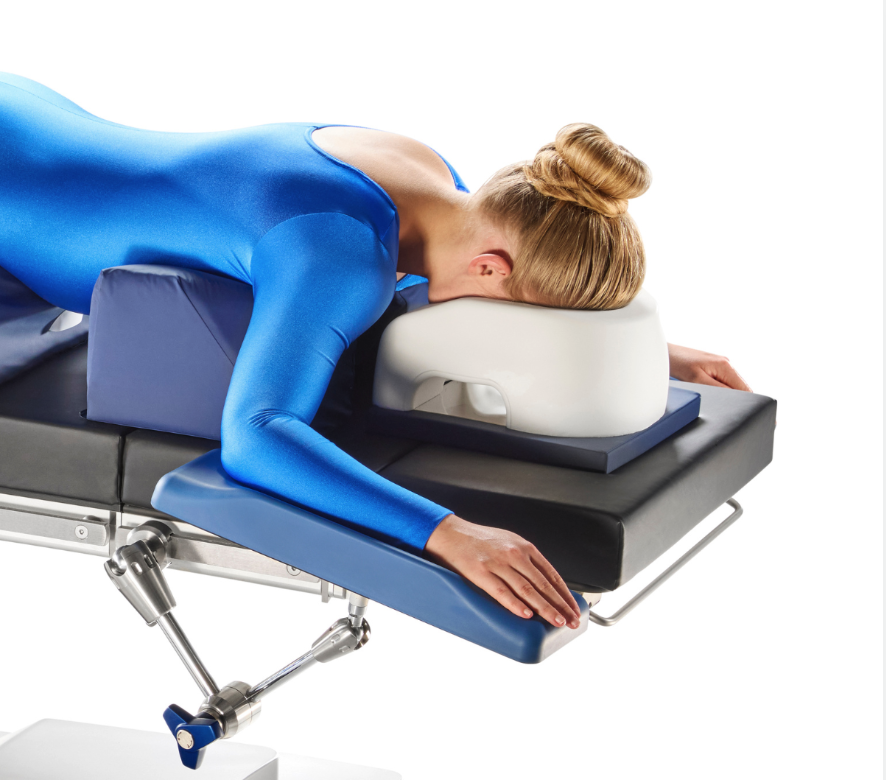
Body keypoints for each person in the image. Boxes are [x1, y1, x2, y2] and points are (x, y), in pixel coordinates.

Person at [0, 72, 749, 632]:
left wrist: (649, 351)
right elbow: (257, 435)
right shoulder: (339, 256)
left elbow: (431, 279)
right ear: (492, 269)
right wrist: (451, 533)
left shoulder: (430, 175)